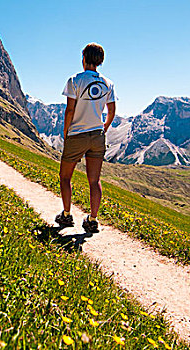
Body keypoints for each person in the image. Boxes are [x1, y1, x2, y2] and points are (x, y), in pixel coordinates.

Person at [55, 43, 116, 233]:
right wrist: (103, 127)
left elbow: (70, 109)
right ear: (100, 61)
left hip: (77, 134)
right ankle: (93, 220)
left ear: (84, 58)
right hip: (97, 135)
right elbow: (112, 110)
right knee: (94, 180)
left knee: (65, 176)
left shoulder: (74, 80)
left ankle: (66, 216)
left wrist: (66, 132)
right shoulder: (108, 83)